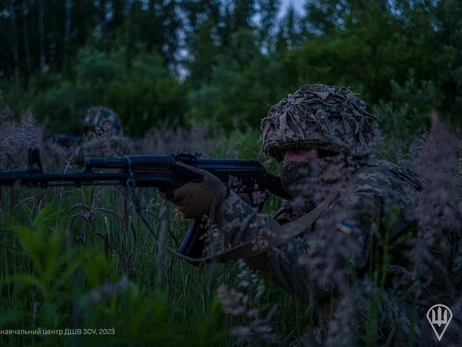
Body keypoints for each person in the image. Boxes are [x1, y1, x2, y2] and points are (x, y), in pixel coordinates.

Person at [159, 84, 461, 346]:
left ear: (337, 150)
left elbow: (320, 275)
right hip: (403, 314)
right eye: (282, 153)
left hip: (440, 328)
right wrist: (226, 194)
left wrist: (226, 206)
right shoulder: (321, 192)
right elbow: (280, 249)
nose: (289, 162)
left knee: (354, 302)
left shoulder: (371, 187)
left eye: (300, 149)